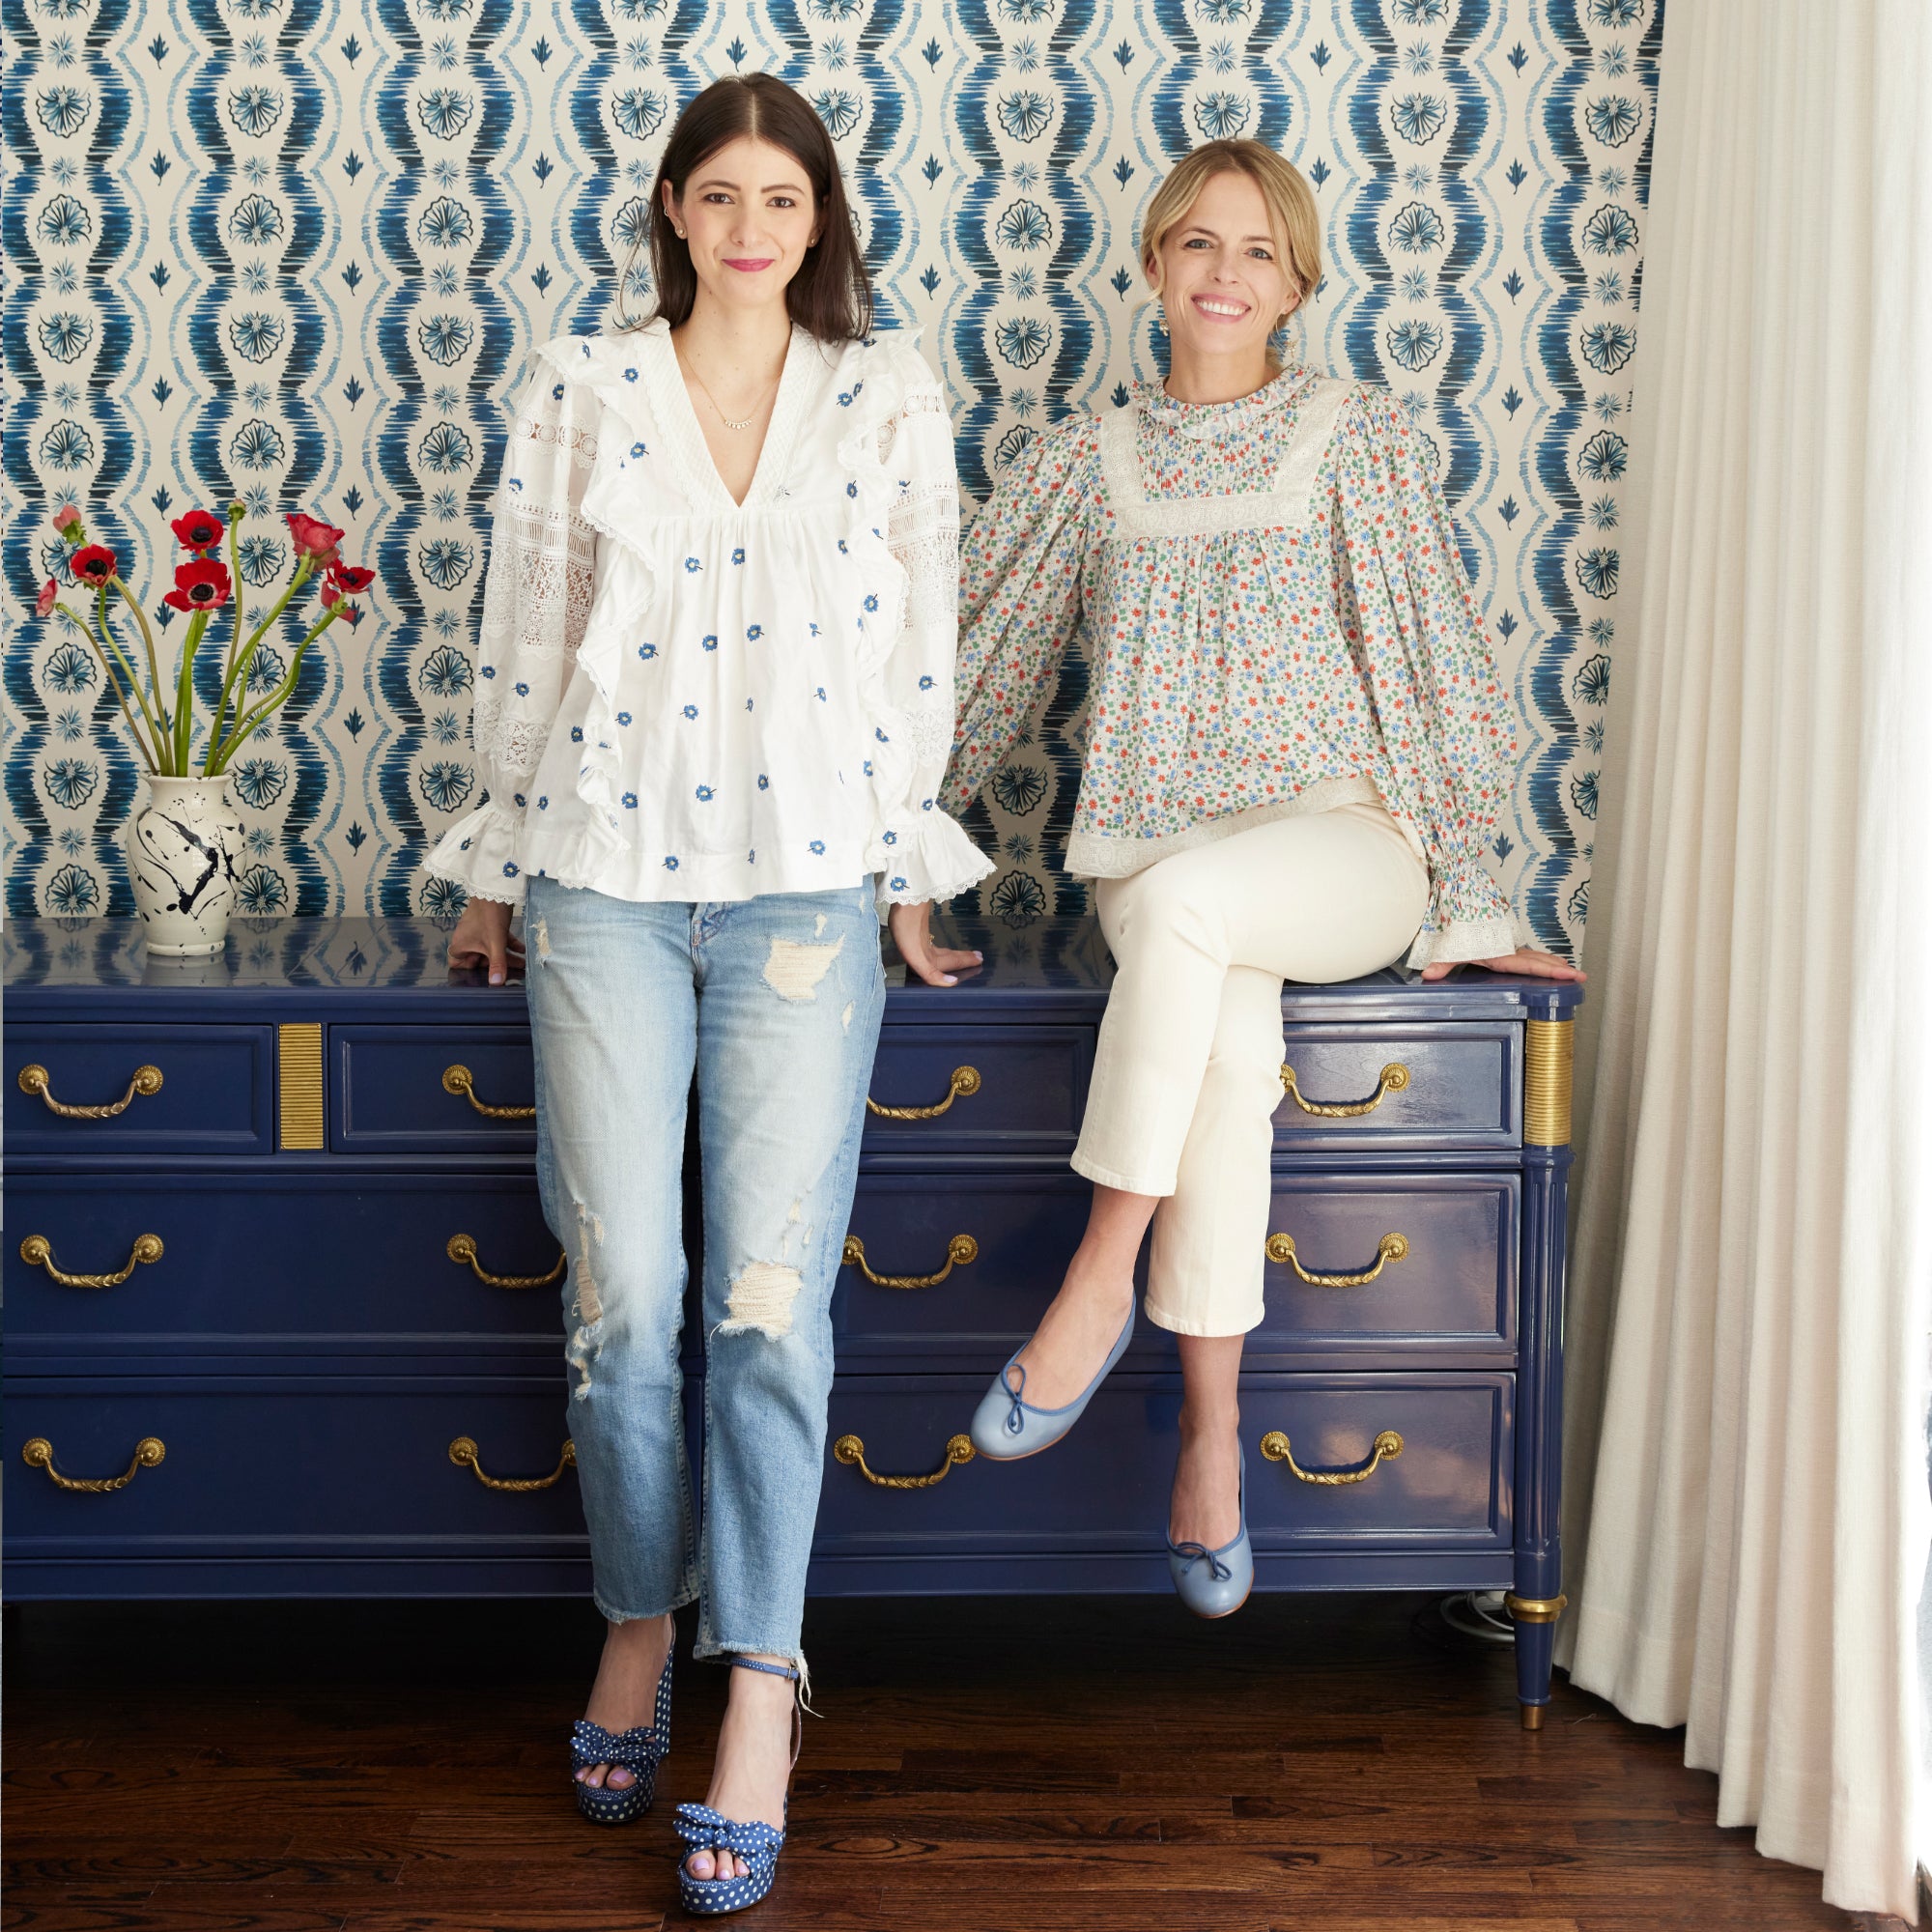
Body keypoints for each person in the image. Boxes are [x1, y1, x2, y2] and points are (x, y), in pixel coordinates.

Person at [429, 73, 988, 1915]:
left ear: (818, 219)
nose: (754, 225)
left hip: (809, 897)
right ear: (672, 210)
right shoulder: (587, 388)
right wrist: (498, 873)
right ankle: (632, 1628)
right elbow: (527, 620)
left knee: (766, 1308)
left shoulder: (889, 396)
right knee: (625, 1305)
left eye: (785, 197)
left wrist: (910, 870)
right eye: (721, 195)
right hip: (600, 882)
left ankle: (761, 1679)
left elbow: (923, 640)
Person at [895, 138, 1582, 1620]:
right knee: (1224, 1029)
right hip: (1156, 856)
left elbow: (1433, 664)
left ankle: (1096, 1283)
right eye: (1197, 244)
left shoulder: (1357, 435)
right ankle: (1211, 1446)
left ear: (1299, 285)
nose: (1224, 273)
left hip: (1347, 845)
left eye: (1258, 251)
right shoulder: (1088, 461)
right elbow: (981, 659)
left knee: (1206, 931)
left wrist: (1473, 894)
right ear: (1152, 266)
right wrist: (908, 852)